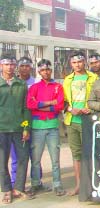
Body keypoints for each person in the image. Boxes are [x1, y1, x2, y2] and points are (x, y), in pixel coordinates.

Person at [26, 59, 66, 196]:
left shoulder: (58, 87)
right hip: (37, 127)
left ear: (51, 70)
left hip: (53, 126)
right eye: (43, 70)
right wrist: (50, 103)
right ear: (39, 71)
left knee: (55, 159)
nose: (46, 72)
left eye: (48, 69)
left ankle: (57, 184)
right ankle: (35, 183)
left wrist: (40, 105)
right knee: (35, 159)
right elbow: (30, 105)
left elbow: (60, 105)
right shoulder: (34, 87)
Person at [63, 51, 98, 196]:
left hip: (88, 120)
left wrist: (89, 108)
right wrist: (71, 109)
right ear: (71, 64)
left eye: (80, 61)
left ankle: (90, 184)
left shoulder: (94, 78)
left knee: (89, 153)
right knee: (76, 154)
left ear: (85, 62)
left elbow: (99, 98)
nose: (77, 65)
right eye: (74, 62)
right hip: (72, 121)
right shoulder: (67, 80)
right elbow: (63, 101)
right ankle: (78, 184)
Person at [0, 53, 33, 204]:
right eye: (7, 64)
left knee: (23, 158)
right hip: (2, 129)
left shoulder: (21, 84)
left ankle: (19, 188)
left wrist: (26, 128)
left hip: (19, 128)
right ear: (1, 66)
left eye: (12, 64)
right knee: (2, 161)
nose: (10, 67)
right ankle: (6, 190)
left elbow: (26, 108)